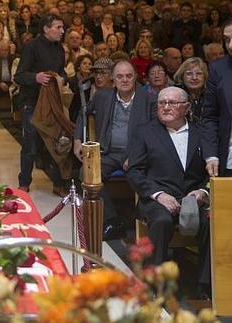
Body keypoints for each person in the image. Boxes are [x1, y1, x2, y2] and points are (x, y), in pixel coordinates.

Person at [127, 86, 210, 296]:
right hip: (157, 197)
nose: (165, 107)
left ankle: (206, 285)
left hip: (193, 199)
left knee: (212, 221)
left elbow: (210, 172)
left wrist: (202, 192)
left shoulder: (201, 133)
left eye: (171, 103)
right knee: (162, 221)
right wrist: (158, 195)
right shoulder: (144, 132)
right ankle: (155, 283)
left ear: (186, 107)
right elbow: (135, 172)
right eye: (161, 103)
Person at [73, 60, 157, 240]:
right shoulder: (103, 96)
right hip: (108, 152)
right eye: (119, 76)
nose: (124, 80)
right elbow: (83, 113)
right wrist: (78, 139)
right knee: (87, 172)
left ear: (135, 77)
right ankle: (112, 221)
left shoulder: (148, 99)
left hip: (136, 153)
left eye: (128, 76)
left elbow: (154, 132)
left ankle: (144, 219)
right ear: (113, 78)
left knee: (143, 176)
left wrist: (135, 156)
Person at [14, 14, 65, 193]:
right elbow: (19, 75)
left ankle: (58, 184)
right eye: (58, 27)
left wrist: (61, 79)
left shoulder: (60, 49)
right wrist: (36, 77)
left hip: (52, 102)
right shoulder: (31, 47)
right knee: (31, 143)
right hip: (31, 102)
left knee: (54, 142)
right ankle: (24, 183)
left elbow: (61, 72)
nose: (62, 31)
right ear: (46, 28)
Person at [201, 19, 232, 178]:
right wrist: (211, 155)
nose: (230, 45)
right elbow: (210, 117)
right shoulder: (217, 69)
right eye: (227, 40)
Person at [174, 57, 208, 126]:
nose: (194, 78)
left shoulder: (211, 95)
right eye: (189, 74)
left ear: (205, 77)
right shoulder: (174, 95)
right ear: (182, 76)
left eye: (199, 73)